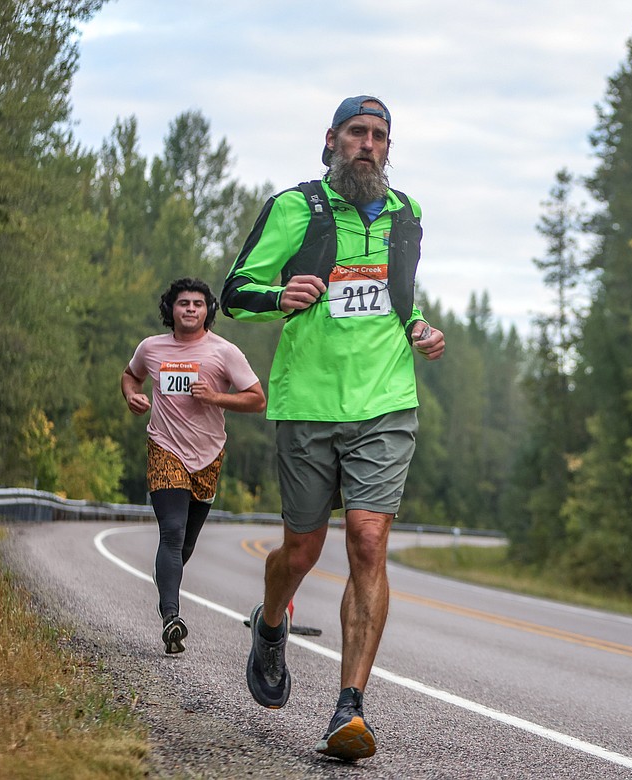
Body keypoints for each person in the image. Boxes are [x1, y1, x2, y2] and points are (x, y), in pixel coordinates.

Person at [221, 94, 445, 761]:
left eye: (379, 136)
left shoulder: (407, 214)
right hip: (309, 401)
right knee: (301, 551)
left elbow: (397, 295)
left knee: (369, 542)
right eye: (357, 133)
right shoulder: (296, 209)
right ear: (331, 139)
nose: (368, 144)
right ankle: (270, 625)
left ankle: (350, 708)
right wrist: (278, 297)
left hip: (384, 399)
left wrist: (419, 327)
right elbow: (236, 291)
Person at [122, 277, 266, 655]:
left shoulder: (224, 352)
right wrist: (132, 395)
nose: (190, 308)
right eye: (183, 303)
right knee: (171, 531)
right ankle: (172, 617)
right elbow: (130, 374)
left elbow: (257, 400)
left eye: (198, 304)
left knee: (183, 546)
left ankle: (165, 580)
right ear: (170, 309)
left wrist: (216, 396)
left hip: (208, 455)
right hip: (164, 447)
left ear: (208, 311)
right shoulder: (151, 348)